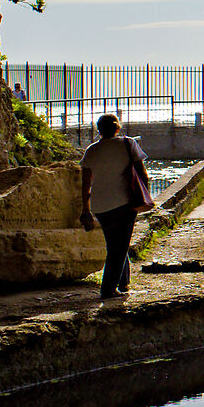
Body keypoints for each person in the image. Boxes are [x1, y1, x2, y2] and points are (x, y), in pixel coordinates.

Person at [78, 113, 153, 299]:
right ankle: (108, 289)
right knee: (119, 247)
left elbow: (85, 183)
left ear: (99, 130)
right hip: (125, 202)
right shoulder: (128, 144)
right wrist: (146, 196)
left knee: (115, 244)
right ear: (117, 128)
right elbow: (142, 172)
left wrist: (85, 209)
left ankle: (123, 281)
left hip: (100, 205)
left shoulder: (91, 150)